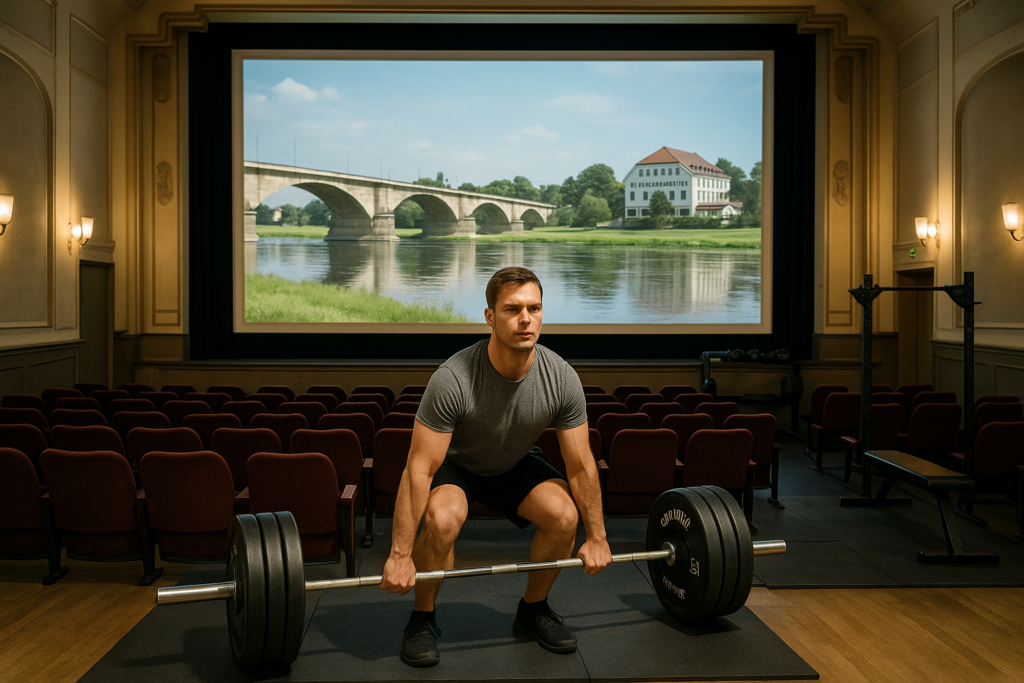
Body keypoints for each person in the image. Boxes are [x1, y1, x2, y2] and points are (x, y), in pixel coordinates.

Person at [380, 266, 612, 667]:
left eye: (534, 308)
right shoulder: (453, 379)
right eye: (512, 309)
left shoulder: (561, 377)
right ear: (490, 316)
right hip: (459, 466)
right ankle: (422, 617)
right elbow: (419, 470)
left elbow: (580, 465)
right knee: (442, 519)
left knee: (563, 516)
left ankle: (533, 609)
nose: (525, 319)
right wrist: (400, 554)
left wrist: (598, 536)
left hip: (515, 461)